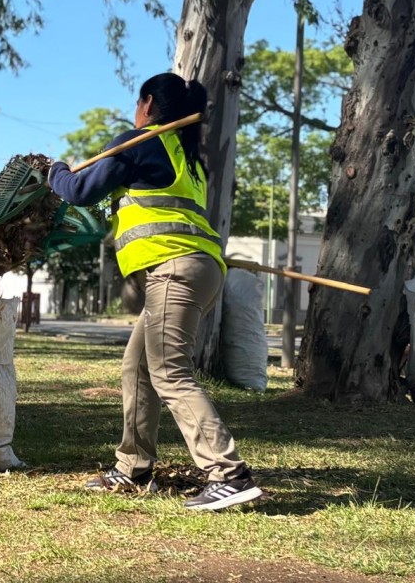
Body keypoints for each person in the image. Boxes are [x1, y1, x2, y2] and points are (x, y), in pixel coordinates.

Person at [47, 72, 263, 511]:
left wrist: (56, 171)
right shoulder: (189, 159)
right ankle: (133, 467)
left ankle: (228, 474)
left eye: (136, 102)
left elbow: (80, 191)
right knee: (138, 366)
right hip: (199, 269)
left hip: (175, 270)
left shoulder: (142, 141)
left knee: (169, 372)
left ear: (147, 103)